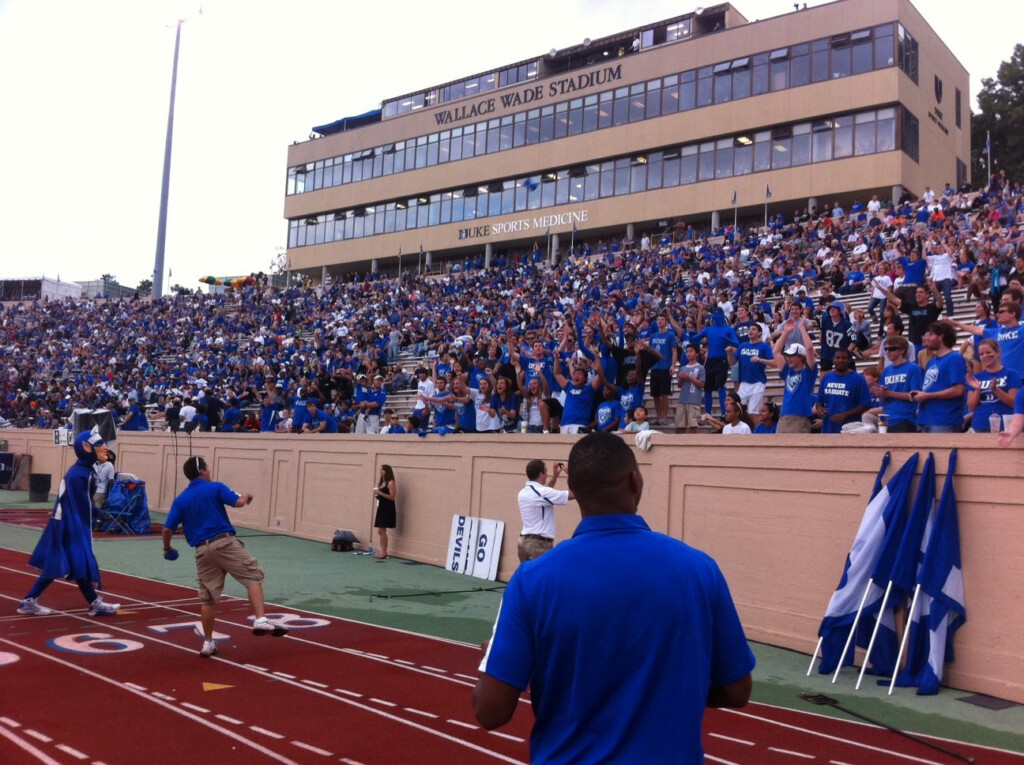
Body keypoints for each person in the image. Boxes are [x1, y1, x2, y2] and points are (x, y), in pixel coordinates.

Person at [474, 433, 754, 762]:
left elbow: (490, 711)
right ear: (636, 480)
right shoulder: (700, 569)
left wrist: (490, 661)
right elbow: (737, 690)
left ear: (574, 492)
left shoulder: (532, 580)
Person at [161, 455, 288, 657]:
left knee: (208, 598)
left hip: (202, 551)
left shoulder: (181, 499)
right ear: (202, 471)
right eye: (208, 468)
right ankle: (260, 619)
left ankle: (208, 642)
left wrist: (167, 549)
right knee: (253, 575)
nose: (210, 471)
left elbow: (167, 529)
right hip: (224, 542)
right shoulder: (215, 487)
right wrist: (247, 496)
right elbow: (238, 502)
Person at [17, 430, 122, 617]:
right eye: (100, 445)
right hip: (68, 523)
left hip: (67, 521)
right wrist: (100, 513)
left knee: (72, 562)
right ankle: (31, 600)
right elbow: (81, 504)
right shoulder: (81, 474)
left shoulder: (83, 471)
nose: (105, 447)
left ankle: (32, 600)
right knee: (69, 561)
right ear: (87, 448)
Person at [911, 321, 967, 433]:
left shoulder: (954, 358)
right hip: (926, 419)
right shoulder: (931, 361)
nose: (927, 338)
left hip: (944, 420)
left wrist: (927, 396)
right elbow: (929, 387)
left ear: (941, 337)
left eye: (931, 334)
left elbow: (958, 390)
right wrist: (917, 394)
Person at [516, 459, 574, 563]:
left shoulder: (523, 492)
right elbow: (572, 494)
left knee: (528, 577)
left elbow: (545, 494)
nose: (547, 474)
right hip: (538, 546)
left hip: (523, 543)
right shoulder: (542, 493)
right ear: (541, 473)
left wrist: (555, 477)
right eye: (546, 472)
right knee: (542, 578)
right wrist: (571, 475)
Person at [768, 318, 817, 433]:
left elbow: (809, 349)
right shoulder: (788, 371)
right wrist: (786, 332)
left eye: (791, 356)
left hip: (800, 416)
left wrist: (801, 328)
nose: (788, 359)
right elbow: (776, 352)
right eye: (788, 356)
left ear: (801, 356)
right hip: (784, 415)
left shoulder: (808, 373)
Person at [967, 339, 1020, 432]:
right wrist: (977, 390)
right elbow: (972, 406)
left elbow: (1014, 403)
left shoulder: (1011, 374)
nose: (985, 356)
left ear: (998, 352)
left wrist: (996, 390)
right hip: (980, 424)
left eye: (988, 352)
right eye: (981, 354)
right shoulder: (976, 377)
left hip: (1005, 426)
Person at [815, 348, 871, 433]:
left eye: (844, 358)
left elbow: (865, 405)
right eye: (837, 358)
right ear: (833, 360)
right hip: (828, 428)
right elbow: (819, 401)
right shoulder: (827, 377)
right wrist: (819, 409)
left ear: (849, 360)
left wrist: (844, 415)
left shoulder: (859, 379)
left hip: (850, 429)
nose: (840, 360)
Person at [372, 464, 397, 560]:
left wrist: (380, 493)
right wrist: (377, 495)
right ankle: (382, 550)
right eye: (380, 470)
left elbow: (392, 497)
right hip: (381, 507)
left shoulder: (391, 482)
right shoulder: (382, 481)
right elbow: (381, 495)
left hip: (387, 508)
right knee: (380, 530)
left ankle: (384, 551)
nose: (381, 471)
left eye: (383, 470)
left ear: (387, 471)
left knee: (383, 530)